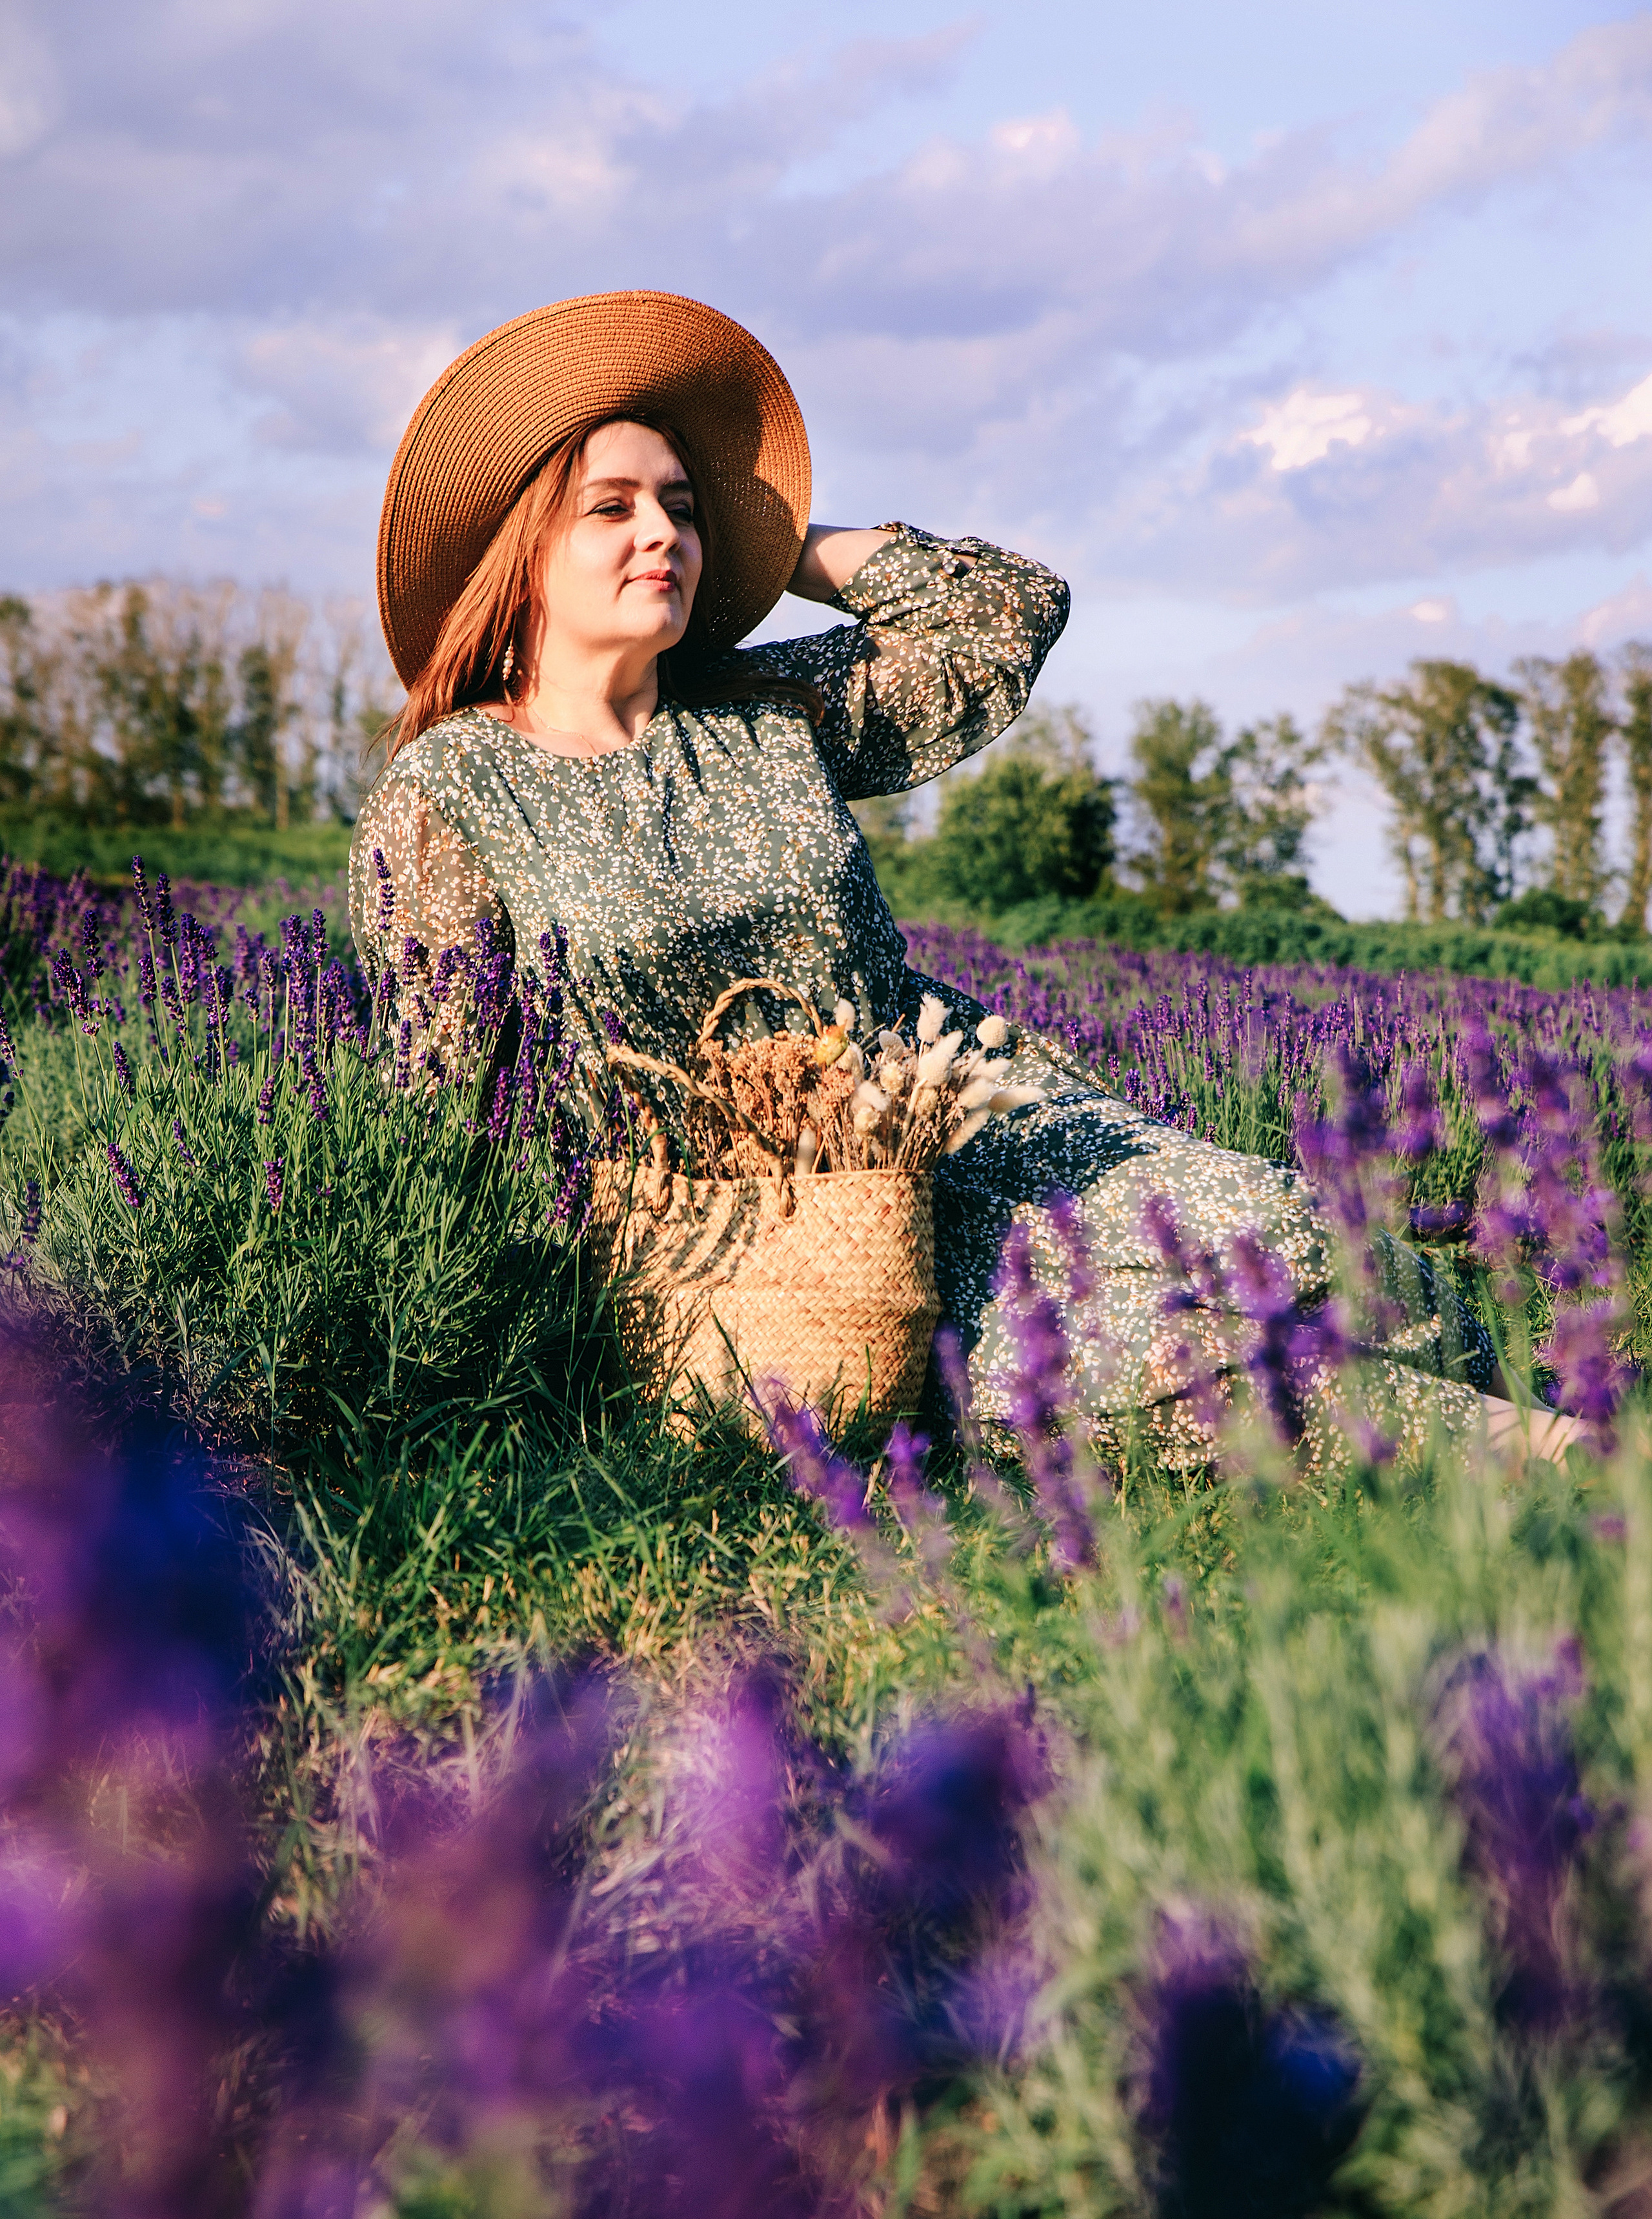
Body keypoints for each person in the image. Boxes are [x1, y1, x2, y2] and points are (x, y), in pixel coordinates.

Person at [351, 291, 1573, 1471]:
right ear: (521, 550)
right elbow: (448, 1106)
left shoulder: (765, 713)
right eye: (608, 509)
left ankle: (1517, 1408)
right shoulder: (450, 793)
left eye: (680, 504)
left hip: (969, 1120)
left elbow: (1007, 614)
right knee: (1168, 1355)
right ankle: (1545, 1456)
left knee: (1328, 1252)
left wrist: (780, 546)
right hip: (760, 1243)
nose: (662, 532)